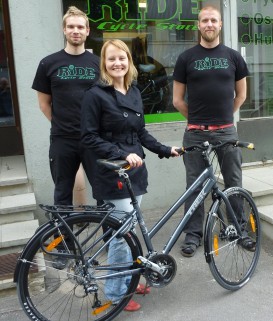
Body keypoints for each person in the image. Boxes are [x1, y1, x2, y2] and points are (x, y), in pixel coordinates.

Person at [81, 39, 179, 312]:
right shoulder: (95, 95)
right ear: (104, 63)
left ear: (129, 61)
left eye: (122, 58)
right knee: (121, 237)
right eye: (111, 59)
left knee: (129, 233)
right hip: (111, 172)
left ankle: (129, 278)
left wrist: (164, 149)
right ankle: (116, 293)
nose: (117, 63)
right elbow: (88, 136)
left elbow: (140, 133)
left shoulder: (134, 90)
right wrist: (120, 154)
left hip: (134, 172)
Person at [173, 5, 254, 257]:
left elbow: (241, 94)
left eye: (213, 20)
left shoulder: (233, 57)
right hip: (195, 133)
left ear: (220, 25)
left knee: (233, 182)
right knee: (194, 186)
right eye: (205, 20)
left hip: (226, 132)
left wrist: (224, 118)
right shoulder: (186, 58)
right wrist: (198, 120)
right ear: (198, 25)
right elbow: (177, 100)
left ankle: (238, 229)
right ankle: (193, 235)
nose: (209, 24)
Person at [32, 6, 100, 268]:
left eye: (80, 27)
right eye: (71, 26)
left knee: (103, 194)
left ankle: (106, 241)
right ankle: (65, 245)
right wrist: (63, 126)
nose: (76, 31)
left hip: (94, 140)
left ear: (87, 31)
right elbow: (44, 104)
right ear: (64, 29)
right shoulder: (49, 63)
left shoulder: (97, 63)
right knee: (62, 195)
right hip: (63, 140)